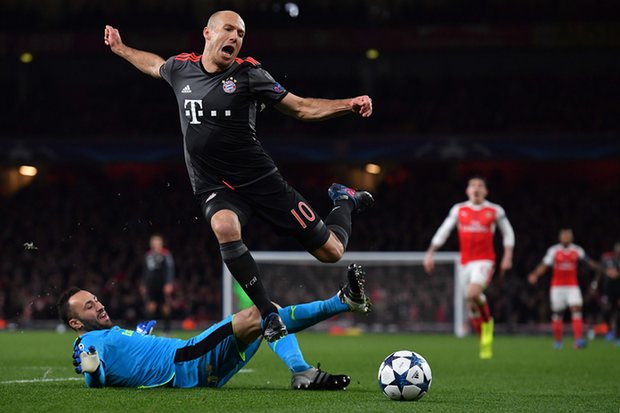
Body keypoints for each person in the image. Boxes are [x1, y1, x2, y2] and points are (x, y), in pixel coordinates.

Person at [103, 10, 374, 342]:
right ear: (208, 33)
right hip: (213, 184)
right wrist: (121, 49)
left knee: (331, 252)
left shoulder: (250, 75)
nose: (235, 37)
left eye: (241, 33)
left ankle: (344, 200)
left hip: (260, 180)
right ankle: (268, 313)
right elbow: (154, 65)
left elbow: (301, 107)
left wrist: (348, 104)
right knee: (224, 227)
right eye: (228, 29)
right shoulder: (181, 68)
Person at [58, 264, 371, 389]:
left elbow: (121, 358)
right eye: (89, 306)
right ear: (75, 322)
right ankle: (304, 365)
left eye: (96, 299)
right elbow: (95, 377)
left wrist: (139, 337)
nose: (99, 305)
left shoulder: (105, 334)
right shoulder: (88, 344)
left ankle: (342, 303)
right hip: (186, 360)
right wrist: (92, 369)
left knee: (268, 314)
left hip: (193, 366)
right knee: (262, 312)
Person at [424, 176, 515, 359]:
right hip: (464, 262)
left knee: (473, 293)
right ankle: (484, 341)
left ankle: (487, 324)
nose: (476, 188)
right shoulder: (459, 209)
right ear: (467, 191)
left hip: (485, 260)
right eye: (473, 185)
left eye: (480, 185)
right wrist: (430, 252)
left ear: (485, 191)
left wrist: (507, 256)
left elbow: (508, 233)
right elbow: (444, 230)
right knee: (472, 303)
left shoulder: (495, 210)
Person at [528, 229, 601, 349]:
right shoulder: (554, 250)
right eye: (564, 235)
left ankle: (578, 340)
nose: (566, 237)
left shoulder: (577, 250)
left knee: (576, 309)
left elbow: (588, 261)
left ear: (572, 238)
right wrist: (535, 274)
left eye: (568, 236)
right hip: (557, 287)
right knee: (558, 313)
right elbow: (544, 265)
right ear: (560, 238)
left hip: (572, 286)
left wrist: (599, 267)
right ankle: (558, 341)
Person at [141, 234, 175, 334]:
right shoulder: (148, 255)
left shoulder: (166, 254)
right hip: (151, 285)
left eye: (157, 242)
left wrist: (169, 283)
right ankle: (148, 330)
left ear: (161, 243)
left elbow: (170, 269)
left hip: (163, 284)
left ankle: (167, 330)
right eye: (154, 242)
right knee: (151, 307)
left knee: (165, 307)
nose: (155, 244)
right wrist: (144, 284)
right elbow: (145, 271)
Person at [600, 242, 620, 345]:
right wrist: (607, 272)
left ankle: (617, 336)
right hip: (608, 290)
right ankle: (608, 331)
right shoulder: (607, 259)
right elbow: (601, 270)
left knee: (618, 313)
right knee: (606, 311)